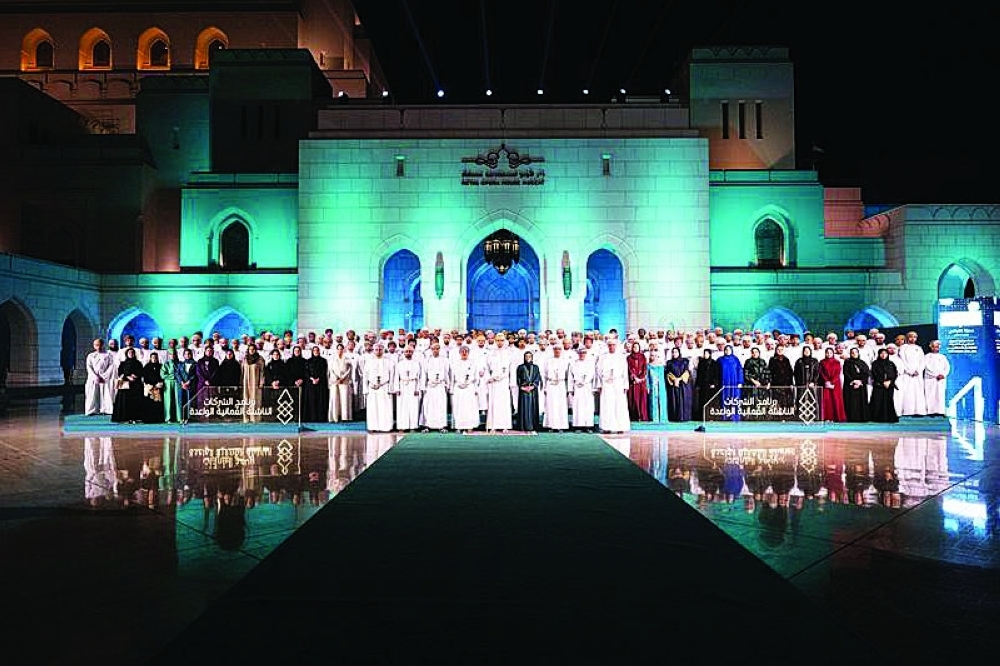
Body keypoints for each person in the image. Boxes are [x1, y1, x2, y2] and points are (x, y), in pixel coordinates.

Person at [596, 338, 630, 433]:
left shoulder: (621, 357)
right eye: (609, 345)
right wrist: (599, 384)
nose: (611, 347)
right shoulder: (603, 357)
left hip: (618, 383)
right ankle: (607, 427)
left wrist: (625, 385)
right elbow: (598, 372)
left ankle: (620, 427)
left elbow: (625, 372)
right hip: (606, 383)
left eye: (613, 345)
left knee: (619, 405)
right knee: (607, 405)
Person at [363, 344, 394, 433]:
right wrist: (366, 389)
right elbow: (365, 376)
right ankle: (373, 427)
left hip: (384, 387)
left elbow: (392, 376)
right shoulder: (369, 362)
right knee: (373, 408)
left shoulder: (389, 362)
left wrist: (390, 389)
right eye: (376, 349)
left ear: (383, 350)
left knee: (385, 407)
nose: (378, 351)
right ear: (373, 350)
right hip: (372, 388)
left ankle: (386, 427)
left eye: (380, 349)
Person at [420, 342, 450, 431]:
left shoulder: (445, 360)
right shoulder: (427, 360)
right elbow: (424, 374)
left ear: (439, 350)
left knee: (440, 405)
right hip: (430, 386)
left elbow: (446, 373)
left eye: (437, 348)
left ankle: (441, 426)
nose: (435, 350)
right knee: (429, 405)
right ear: (431, 350)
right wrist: (423, 387)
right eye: (433, 349)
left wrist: (447, 385)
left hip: (440, 385)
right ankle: (427, 426)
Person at [449, 345, 480, 432]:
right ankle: (459, 426)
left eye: (466, 351)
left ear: (468, 353)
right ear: (459, 353)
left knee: (469, 407)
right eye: (462, 351)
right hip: (458, 387)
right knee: (459, 407)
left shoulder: (473, 363)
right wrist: (452, 388)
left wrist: (473, 387)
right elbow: (452, 377)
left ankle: (469, 426)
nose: (464, 353)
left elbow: (476, 377)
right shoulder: (455, 363)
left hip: (469, 387)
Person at [484, 343, 514, 432]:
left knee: (504, 403)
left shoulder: (509, 353)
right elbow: (486, 368)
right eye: (498, 340)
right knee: (494, 402)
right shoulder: (491, 353)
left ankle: (505, 426)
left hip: (504, 381)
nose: (500, 342)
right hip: (493, 382)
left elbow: (511, 369)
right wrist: (489, 377)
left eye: (502, 340)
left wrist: (511, 383)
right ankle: (493, 426)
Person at [896, 331, 927, 416]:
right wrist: (909, 370)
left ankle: (919, 411)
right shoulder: (903, 347)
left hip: (917, 374)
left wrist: (918, 370)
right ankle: (907, 411)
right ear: (907, 338)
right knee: (907, 392)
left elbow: (922, 361)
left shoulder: (919, 348)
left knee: (918, 392)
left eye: (914, 337)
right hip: (907, 374)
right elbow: (901, 360)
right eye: (910, 337)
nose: (912, 338)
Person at [393, 346, 423, 432]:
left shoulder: (416, 363)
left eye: (410, 351)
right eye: (406, 351)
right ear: (404, 353)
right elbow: (396, 377)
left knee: (413, 407)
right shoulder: (400, 364)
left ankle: (412, 427)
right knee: (402, 407)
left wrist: (417, 389)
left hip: (413, 386)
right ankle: (402, 426)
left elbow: (419, 377)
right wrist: (397, 389)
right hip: (402, 386)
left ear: (413, 352)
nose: (408, 353)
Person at [111, 347, 144, 423]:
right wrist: (127, 376)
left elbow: (141, 372)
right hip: (126, 386)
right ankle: (125, 418)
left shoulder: (138, 363)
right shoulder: (123, 363)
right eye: (129, 353)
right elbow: (120, 373)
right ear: (126, 354)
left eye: (132, 353)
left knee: (135, 402)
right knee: (125, 402)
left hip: (136, 386)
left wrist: (136, 376)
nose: (131, 354)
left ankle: (135, 417)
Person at [542, 344, 570, 432]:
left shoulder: (565, 361)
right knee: (551, 404)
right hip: (551, 384)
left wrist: (567, 388)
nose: (557, 351)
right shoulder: (548, 361)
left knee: (561, 405)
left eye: (559, 349)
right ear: (553, 350)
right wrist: (545, 387)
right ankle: (551, 425)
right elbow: (545, 374)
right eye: (555, 349)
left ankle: (561, 426)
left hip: (561, 384)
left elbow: (568, 375)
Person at [84, 338, 115, 416]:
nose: (98, 346)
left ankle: (105, 409)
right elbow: (89, 367)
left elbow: (111, 366)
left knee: (105, 393)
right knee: (92, 394)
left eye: (100, 344)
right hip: (93, 378)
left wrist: (104, 376)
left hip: (104, 378)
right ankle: (91, 410)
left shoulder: (108, 355)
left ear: (103, 345)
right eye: (96, 345)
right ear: (94, 346)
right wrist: (95, 377)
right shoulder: (90, 356)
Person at [568, 346, 596, 432]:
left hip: (587, 386)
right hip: (577, 387)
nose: (582, 354)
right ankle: (578, 426)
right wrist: (570, 389)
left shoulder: (590, 363)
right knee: (578, 406)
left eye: (584, 353)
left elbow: (593, 375)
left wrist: (593, 387)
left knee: (588, 406)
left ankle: (588, 426)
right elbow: (570, 376)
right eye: (580, 353)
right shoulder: (573, 363)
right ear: (577, 353)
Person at [868, 347, 899, 423]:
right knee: (877, 401)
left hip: (889, 385)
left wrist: (890, 381)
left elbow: (895, 373)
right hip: (879, 385)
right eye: (881, 353)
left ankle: (888, 417)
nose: (883, 355)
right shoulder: (875, 363)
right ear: (879, 354)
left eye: (885, 353)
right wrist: (883, 382)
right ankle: (876, 417)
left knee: (888, 401)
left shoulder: (891, 363)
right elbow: (874, 374)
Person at [514, 351, 542, 431]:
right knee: (524, 408)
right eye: (526, 356)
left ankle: (533, 426)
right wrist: (522, 387)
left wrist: (533, 386)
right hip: (523, 390)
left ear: (532, 357)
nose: (528, 358)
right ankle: (523, 426)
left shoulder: (536, 367)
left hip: (533, 391)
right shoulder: (520, 367)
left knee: (532, 407)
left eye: (529, 356)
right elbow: (518, 378)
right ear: (524, 357)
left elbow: (537, 378)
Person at [922, 339, 950, 417]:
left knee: (940, 395)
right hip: (930, 379)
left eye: (937, 347)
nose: (935, 348)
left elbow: (947, 367)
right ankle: (931, 412)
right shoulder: (927, 356)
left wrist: (943, 375)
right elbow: (926, 367)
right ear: (931, 347)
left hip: (941, 379)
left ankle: (941, 411)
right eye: (933, 347)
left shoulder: (943, 357)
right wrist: (935, 375)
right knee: (930, 395)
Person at [327, 343, 354, 422]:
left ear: (343, 349)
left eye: (341, 349)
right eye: (338, 349)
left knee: (344, 399)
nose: (340, 350)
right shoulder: (332, 359)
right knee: (334, 399)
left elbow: (349, 369)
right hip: (335, 381)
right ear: (336, 350)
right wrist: (337, 378)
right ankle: (335, 417)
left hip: (344, 381)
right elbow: (330, 370)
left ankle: (345, 417)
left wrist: (342, 378)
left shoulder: (347, 358)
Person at [818, 346, 846, 422]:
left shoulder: (837, 362)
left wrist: (832, 382)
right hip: (825, 384)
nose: (829, 354)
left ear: (833, 353)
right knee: (826, 400)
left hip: (835, 384)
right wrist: (826, 381)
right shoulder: (822, 362)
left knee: (836, 400)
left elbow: (838, 373)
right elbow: (821, 373)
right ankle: (827, 417)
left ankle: (837, 417)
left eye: (830, 353)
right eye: (827, 353)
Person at [842, 347, 870, 422]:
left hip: (861, 385)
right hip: (850, 385)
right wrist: (853, 381)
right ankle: (851, 418)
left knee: (861, 402)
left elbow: (867, 373)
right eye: (852, 353)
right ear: (850, 354)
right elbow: (846, 373)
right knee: (851, 402)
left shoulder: (863, 363)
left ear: (858, 353)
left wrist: (860, 382)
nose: (854, 354)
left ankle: (862, 417)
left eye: (856, 352)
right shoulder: (847, 362)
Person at [665, 347, 693, 422]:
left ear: (679, 353)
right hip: (674, 385)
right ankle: (675, 417)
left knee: (683, 400)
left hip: (683, 384)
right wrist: (674, 379)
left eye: (676, 352)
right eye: (673, 352)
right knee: (674, 400)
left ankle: (684, 417)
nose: (674, 354)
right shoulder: (669, 362)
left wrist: (679, 379)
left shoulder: (685, 361)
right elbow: (668, 373)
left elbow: (687, 372)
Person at [717, 345, 744, 421]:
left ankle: (735, 417)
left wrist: (740, 382)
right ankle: (724, 416)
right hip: (724, 383)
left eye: (729, 349)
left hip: (734, 383)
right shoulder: (720, 360)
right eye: (726, 349)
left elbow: (740, 371)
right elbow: (716, 372)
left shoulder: (736, 360)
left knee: (735, 399)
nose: (727, 351)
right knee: (724, 399)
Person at [304, 345, 329, 423]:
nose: (316, 352)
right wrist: (311, 379)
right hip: (310, 384)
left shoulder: (323, 360)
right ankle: (312, 418)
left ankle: (320, 418)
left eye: (317, 350)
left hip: (320, 384)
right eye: (314, 350)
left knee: (320, 401)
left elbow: (324, 371)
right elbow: (306, 372)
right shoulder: (308, 361)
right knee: (312, 401)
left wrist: (318, 379)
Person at [241, 343, 266, 422]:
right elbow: (242, 371)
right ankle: (246, 418)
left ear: (255, 350)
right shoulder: (245, 359)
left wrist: (261, 382)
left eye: (253, 349)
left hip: (256, 383)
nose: (251, 351)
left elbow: (262, 371)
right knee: (246, 399)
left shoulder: (260, 359)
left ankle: (255, 418)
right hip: (246, 383)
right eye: (250, 349)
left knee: (255, 399)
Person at [626, 341, 650, 422]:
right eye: (634, 347)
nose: (635, 348)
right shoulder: (629, 358)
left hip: (641, 382)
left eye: (637, 347)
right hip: (633, 382)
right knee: (633, 399)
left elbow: (644, 368)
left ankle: (643, 416)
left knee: (642, 399)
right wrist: (634, 378)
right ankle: (635, 416)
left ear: (639, 348)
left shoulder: (643, 357)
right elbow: (629, 369)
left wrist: (641, 378)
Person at [693, 348, 719, 420]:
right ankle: (702, 417)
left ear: (710, 354)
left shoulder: (714, 363)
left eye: (706, 353)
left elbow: (716, 374)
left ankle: (710, 417)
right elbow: (699, 374)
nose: (705, 355)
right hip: (703, 386)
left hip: (711, 386)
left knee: (710, 401)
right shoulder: (701, 363)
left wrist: (714, 383)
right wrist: (697, 384)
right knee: (702, 401)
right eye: (704, 353)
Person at [140, 351, 165, 423]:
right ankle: (148, 419)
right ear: (150, 358)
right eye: (153, 357)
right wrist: (150, 384)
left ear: (157, 358)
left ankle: (158, 419)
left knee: (158, 403)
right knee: (149, 403)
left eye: (155, 358)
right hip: (149, 388)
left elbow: (162, 376)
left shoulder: (161, 366)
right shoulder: (147, 366)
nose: (154, 359)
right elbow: (144, 377)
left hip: (158, 387)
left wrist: (159, 383)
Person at [767, 343, 794, 409]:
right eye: (778, 349)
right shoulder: (772, 359)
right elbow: (769, 371)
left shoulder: (786, 359)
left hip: (786, 384)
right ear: (776, 350)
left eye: (781, 349)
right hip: (776, 384)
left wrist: (791, 383)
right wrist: (769, 382)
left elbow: (790, 372)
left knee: (786, 401)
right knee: (776, 401)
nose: (780, 351)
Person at [176, 348, 198, 421]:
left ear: (191, 354)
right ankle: (182, 417)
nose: (187, 355)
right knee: (182, 401)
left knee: (190, 401)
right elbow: (177, 374)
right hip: (182, 385)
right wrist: (182, 382)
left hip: (191, 385)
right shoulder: (180, 364)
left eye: (189, 354)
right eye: (186, 354)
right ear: (183, 355)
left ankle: (189, 418)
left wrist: (189, 382)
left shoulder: (195, 364)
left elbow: (196, 374)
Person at [160, 348, 181, 423]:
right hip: (168, 383)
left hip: (178, 383)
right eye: (171, 354)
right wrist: (173, 376)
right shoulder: (166, 364)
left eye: (174, 354)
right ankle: (168, 418)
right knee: (168, 400)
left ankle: (179, 418)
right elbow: (163, 375)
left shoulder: (179, 363)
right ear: (168, 355)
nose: (173, 356)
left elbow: (182, 374)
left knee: (178, 400)